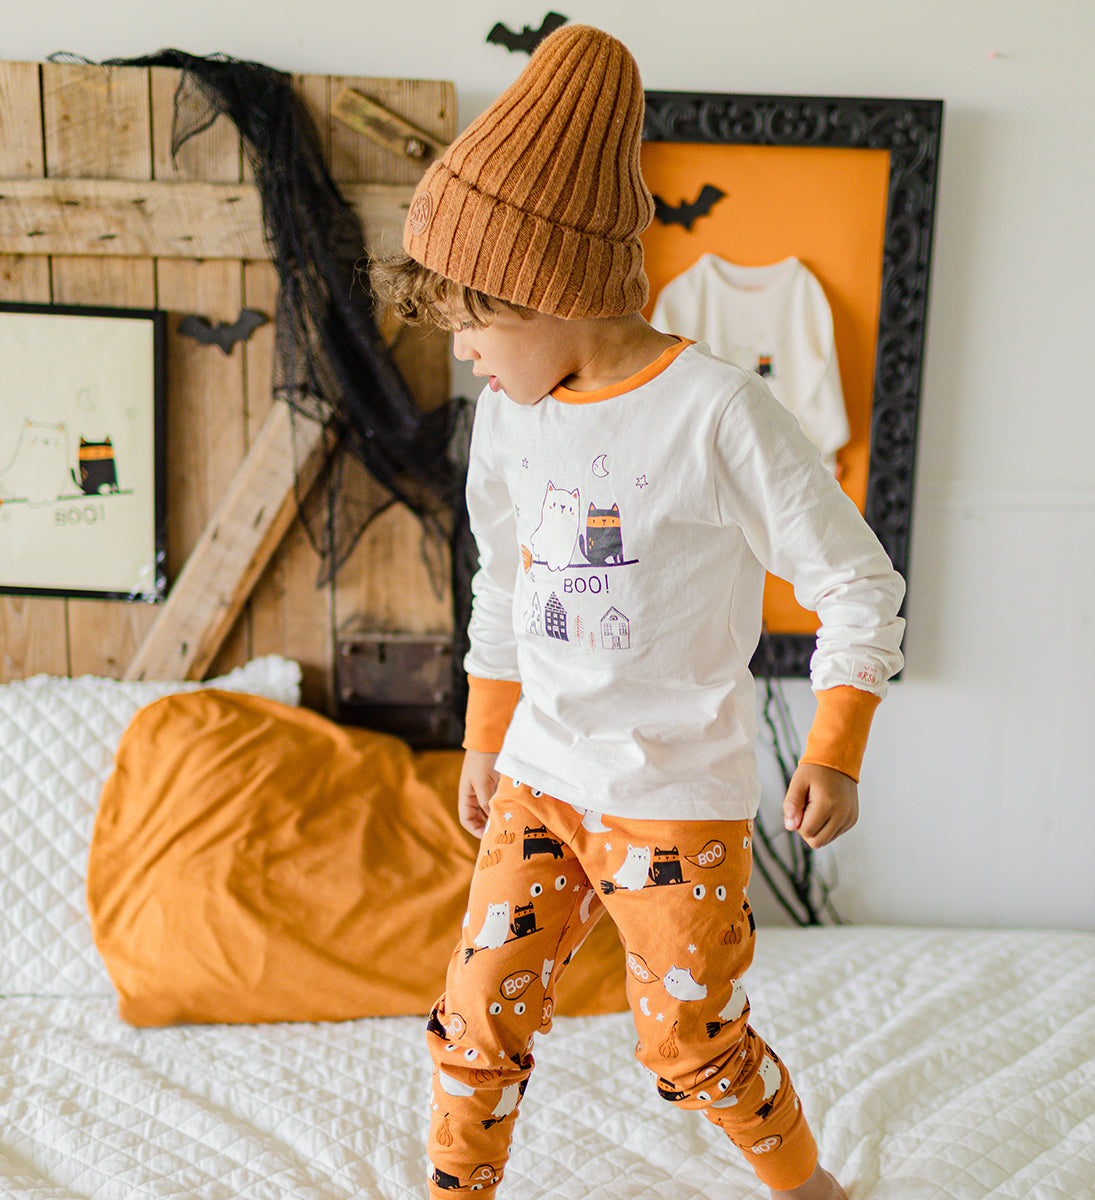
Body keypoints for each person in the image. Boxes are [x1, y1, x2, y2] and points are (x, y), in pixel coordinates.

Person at [372, 24, 905, 1200]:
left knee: (692, 1042)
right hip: (540, 780)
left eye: (474, 320)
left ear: (551, 290)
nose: (463, 354)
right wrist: (486, 733)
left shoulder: (716, 415)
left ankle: (811, 1191)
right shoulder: (513, 414)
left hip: (673, 799)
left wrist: (838, 745)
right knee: (471, 1018)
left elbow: (854, 579)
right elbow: (503, 584)